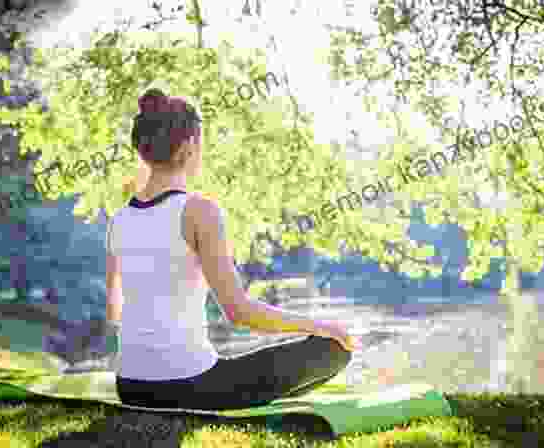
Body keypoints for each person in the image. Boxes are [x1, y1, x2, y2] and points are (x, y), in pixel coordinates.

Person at [105, 89, 362, 410]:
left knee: (235, 366)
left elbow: (114, 311)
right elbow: (239, 312)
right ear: (189, 146)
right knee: (333, 349)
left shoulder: (119, 219)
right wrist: (320, 326)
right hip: (190, 386)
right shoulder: (199, 211)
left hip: (129, 386)